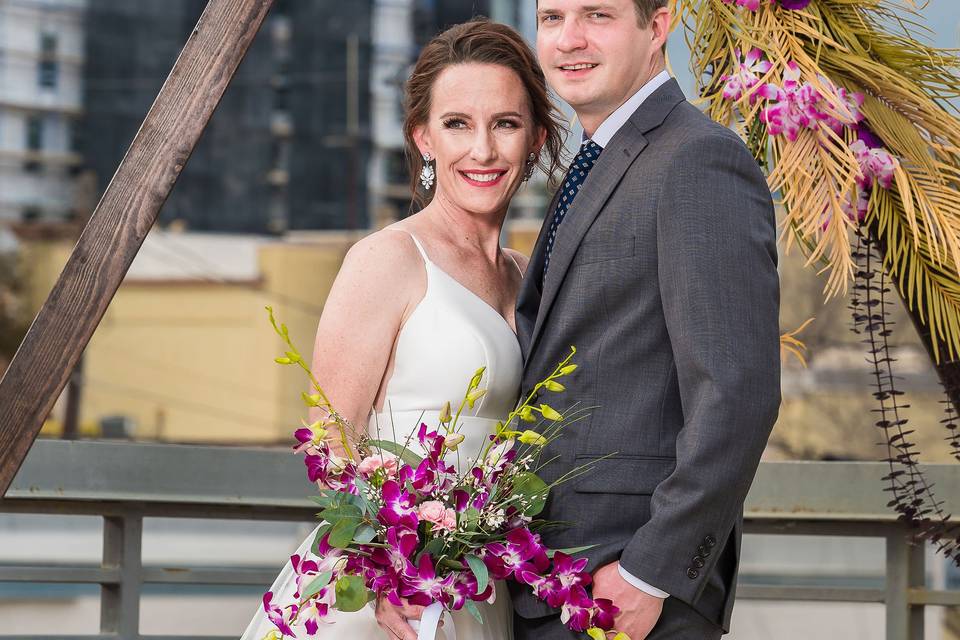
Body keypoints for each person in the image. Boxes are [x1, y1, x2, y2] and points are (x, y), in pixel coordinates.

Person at [240, 19, 564, 640]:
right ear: (423, 138)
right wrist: (389, 571)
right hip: (386, 599)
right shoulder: (387, 258)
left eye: (505, 123)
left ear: (535, 137)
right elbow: (329, 441)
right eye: (457, 124)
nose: (483, 150)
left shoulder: (529, 279)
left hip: (480, 582)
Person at [511, 1, 781, 639]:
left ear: (657, 28)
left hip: (627, 592)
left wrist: (650, 572)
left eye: (597, 14)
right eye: (552, 18)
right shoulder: (600, 160)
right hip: (550, 582)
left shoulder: (698, 161)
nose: (569, 40)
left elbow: (736, 391)